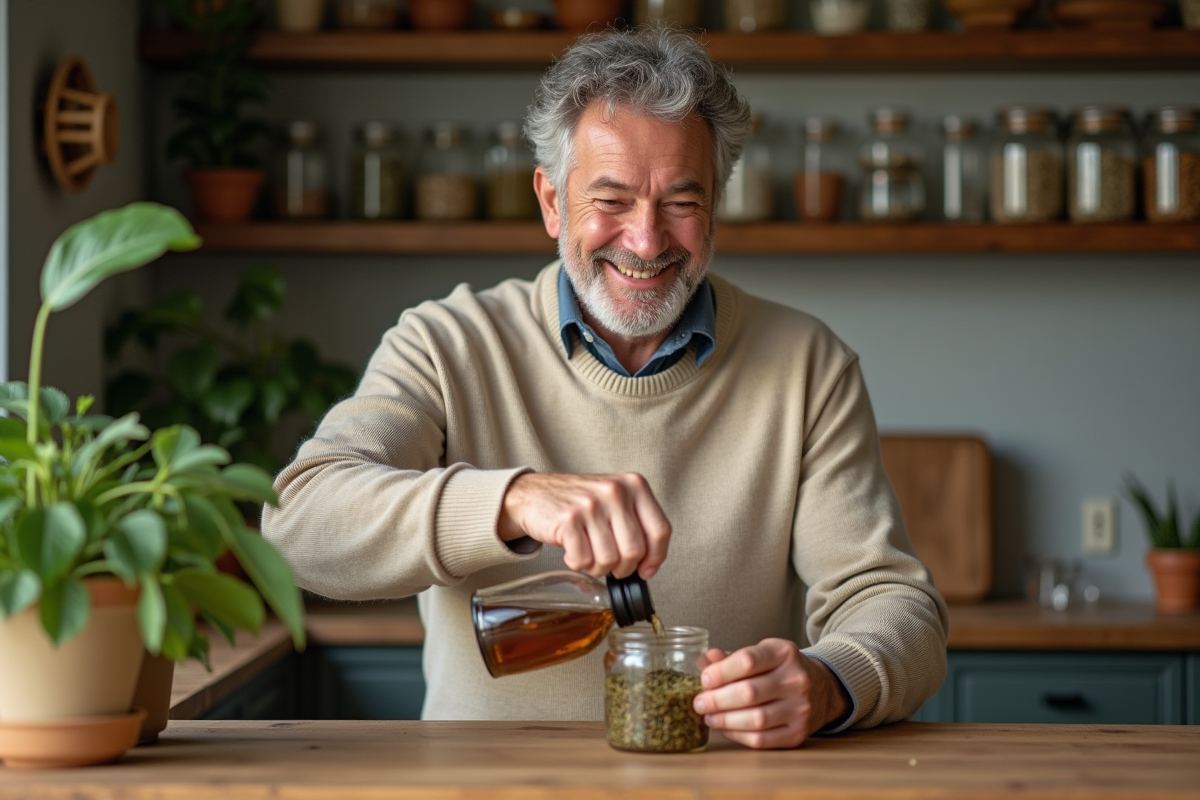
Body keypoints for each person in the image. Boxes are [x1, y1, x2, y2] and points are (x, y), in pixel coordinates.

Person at [263, 27, 948, 750]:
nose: (647, 241)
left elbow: (896, 604)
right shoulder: (447, 344)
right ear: (552, 202)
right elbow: (300, 526)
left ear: (716, 205)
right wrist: (513, 499)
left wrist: (829, 681)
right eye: (612, 200)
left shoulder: (807, 366)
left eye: (681, 202)